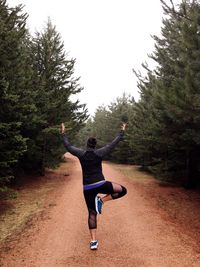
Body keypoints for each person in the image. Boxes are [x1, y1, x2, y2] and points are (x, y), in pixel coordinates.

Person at [60, 122, 127, 250]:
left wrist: (63, 133)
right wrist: (121, 132)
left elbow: (68, 146)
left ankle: (93, 241)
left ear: (87, 145)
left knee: (92, 213)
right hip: (100, 184)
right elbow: (113, 144)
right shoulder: (99, 153)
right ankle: (101, 200)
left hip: (87, 188)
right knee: (123, 190)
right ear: (95, 145)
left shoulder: (81, 154)